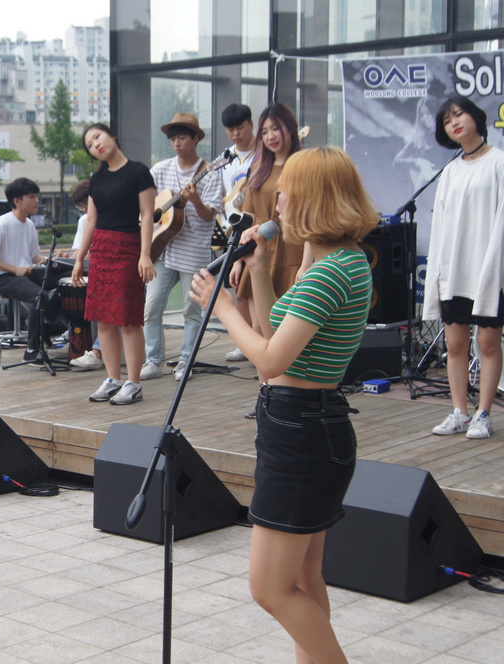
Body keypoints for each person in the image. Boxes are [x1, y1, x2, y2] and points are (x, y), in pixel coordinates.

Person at [190, 146, 377, 664]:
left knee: (269, 588)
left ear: (314, 198)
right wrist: (263, 271)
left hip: (301, 433)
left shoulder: (329, 272)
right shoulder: (338, 261)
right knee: (302, 576)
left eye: (287, 192)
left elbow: (270, 360)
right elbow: (277, 340)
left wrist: (224, 309)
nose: (279, 202)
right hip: (306, 425)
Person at [423, 96, 504, 439]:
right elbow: (440, 226)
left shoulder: (499, 162)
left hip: (487, 270)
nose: (454, 123)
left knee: (487, 343)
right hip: (454, 273)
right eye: (447, 121)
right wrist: (438, 270)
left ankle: (483, 413)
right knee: (455, 345)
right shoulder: (451, 171)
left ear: (475, 117)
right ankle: (459, 411)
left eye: (458, 115)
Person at [231, 103, 309, 417]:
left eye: (275, 128)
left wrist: (306, 264)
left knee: (286, 333)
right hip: (259, 255)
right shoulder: (259, 168)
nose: (271, 136)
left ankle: (289, 396)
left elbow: (308, 221)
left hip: (293, 251)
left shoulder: (302, 165)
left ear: (289, 128)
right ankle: (267, 395)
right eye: (265, 131)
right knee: (259, 331)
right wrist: (238, 259)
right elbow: (248, 217)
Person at [73, 123, 156, 404]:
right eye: (89, 144)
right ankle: (112, 379)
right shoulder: (97, 180)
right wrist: (80, 258)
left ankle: (133, 382)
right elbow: (91, 221)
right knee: (104, 320)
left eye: (97, 136)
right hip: (102, 252)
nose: (96, 144)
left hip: (128, 247)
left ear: (111, 135)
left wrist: (145, 254)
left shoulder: (138, 172)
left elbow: (147, 216)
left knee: (128, 319)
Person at [141, 112, 222, 381]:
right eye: (173, 138)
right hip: (161, 250)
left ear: (196, 138)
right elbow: (147, 207)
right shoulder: (160, 169)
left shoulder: (210, 172)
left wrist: (195, 200)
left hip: (193, 252)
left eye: (182, 137)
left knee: (191, 310)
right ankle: (153, 360)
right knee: (151, 307)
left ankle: (186, 361)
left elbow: (210, 215)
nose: (176, 143)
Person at [0, 178, 60, 361]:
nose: (37, 201)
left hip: (25, 273)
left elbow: (34, 257)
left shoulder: (29, 224)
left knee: (65, 277)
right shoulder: (2, 224)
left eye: (37, 196)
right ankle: (31, 349)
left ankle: (46, 320)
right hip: (3, 277)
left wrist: (52, 261)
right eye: (31, 197)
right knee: (39, 296)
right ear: (17, 200)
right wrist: (15, 269)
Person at [219, 103, 258, 362]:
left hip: (256, 226)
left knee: (256, 288)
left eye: (240, 128)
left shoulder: (263, 154)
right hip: (233, 227)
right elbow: (224, 195)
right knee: (238, 288)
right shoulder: (225, 157)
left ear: (251, 124)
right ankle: (246, 343)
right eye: (230, 130)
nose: (236, 134)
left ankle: (260, 342)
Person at [67, 180, 106, 370]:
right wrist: (71, 256)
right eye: (81, 205)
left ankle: (97, 352)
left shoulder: (110, 216)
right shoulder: (84, 220)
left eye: (85, 203)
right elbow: (79, 252)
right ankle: (74, 338)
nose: (84, 209)